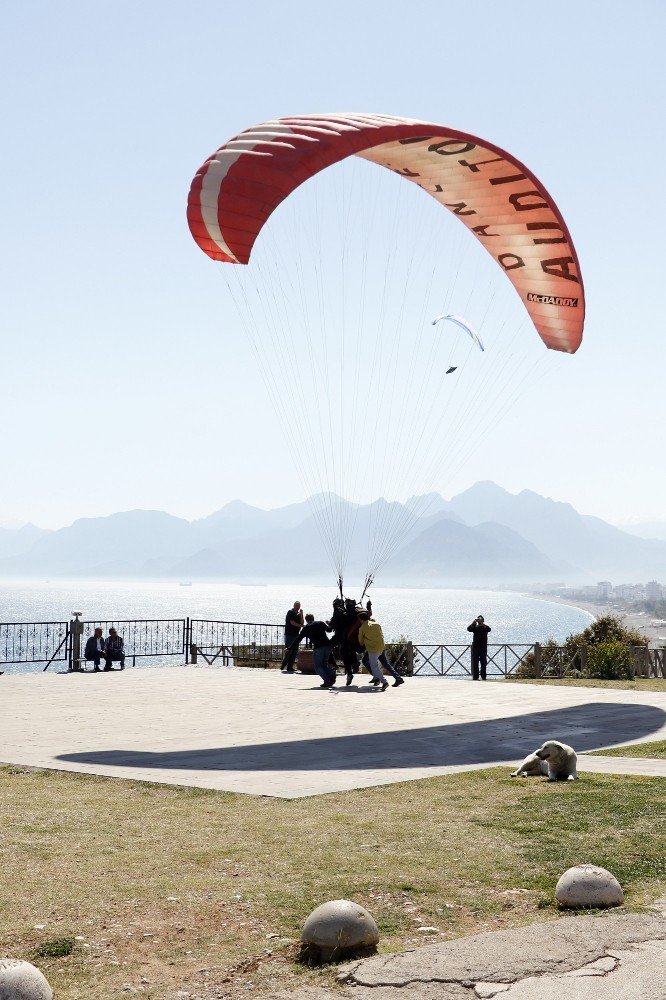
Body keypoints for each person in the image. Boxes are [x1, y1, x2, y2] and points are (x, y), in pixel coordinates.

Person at [293, 614, 336, 688]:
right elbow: (329, 630)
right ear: (313, 618)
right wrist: (329, 624)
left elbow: (298, 639)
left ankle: (327, 681)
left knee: (318, 667)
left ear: (306, 620)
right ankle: (332, 674)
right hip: (328, 646)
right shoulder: (320, 623)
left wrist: (290, 647)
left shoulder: (306, 628)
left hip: (319, 648)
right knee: (324, 664)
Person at [357, 611, 390, 691]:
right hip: (381, 647)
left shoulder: (362, 628)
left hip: (373, 649)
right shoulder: (376, 624)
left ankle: (384, 682)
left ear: (361, 620)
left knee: (374, 666)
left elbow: (360, 641)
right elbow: (381, 634)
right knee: (376, 664)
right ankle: (376, 677)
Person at [282, 601, 304, 673]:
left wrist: (302, 614)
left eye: (299, 606)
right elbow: (292, 622)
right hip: (289, 634)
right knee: (289, 650)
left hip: (296, 634)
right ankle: (283, 665)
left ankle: (290, 667)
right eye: (296, 605)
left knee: (294, 651)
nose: (298, 607)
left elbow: (302, 622)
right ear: (294, 605)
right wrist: (301, 626)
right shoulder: (290, 612)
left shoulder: (298, 613)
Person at [467, 614, 491, 680]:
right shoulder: (475, 627)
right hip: (476, 647)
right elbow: (468, 629)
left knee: (483, 663)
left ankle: (483, 676)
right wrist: (473, 623)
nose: (479, 621)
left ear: (483, 621)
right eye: (478, 620)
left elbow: (489, 629)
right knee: (475, 663)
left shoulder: (485, 627)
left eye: (480, 620)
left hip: (483, 647)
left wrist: (482, 624)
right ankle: (475, 677)